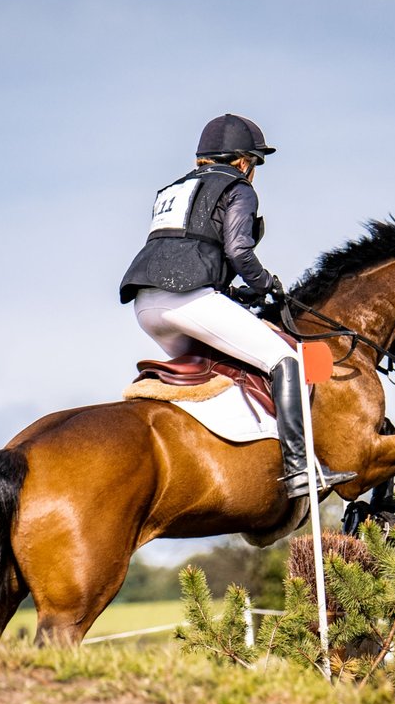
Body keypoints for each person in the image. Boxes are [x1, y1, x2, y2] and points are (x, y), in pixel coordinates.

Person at [120, 113, 357, 499]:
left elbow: (186, 250)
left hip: (146, 306)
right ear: (243, 161)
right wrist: (268, 286)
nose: (254, 172)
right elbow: (238, 250)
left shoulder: (171, 191)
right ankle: (299, 469)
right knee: (286, 360)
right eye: (255, 164)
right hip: (188, 301)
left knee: (228, 365)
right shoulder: (238, 187)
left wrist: (233, 293)